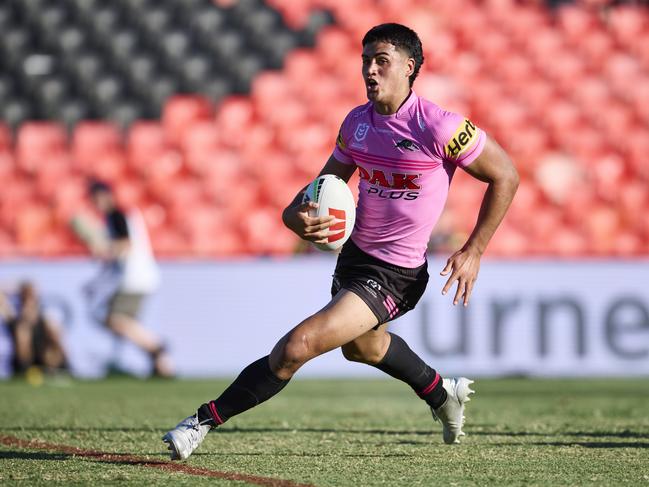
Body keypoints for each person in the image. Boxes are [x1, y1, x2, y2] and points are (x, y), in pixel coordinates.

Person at [163, 23, 519, 460]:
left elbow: (505, 175)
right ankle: (441, 392)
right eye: (366, 60)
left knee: (297, 347)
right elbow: (321, 187)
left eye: (381, 61)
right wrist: (294, 216)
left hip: (397, 274)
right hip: (355, 259)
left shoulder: (440, 126)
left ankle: (200, 421)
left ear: (409, 68)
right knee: (363, 348)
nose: (370, 70)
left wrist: (475, 249)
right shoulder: (356, 123)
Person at [84, 180, 173, 377]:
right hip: (137, 277)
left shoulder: (116, 215)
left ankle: (158, 349)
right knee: (120, 322)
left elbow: (125, 245)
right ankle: (159, 360)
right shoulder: (121, 215)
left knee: (116, 319)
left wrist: (103, 251)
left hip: (134, 279)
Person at [0, 282, 68, 376]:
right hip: (23, 362)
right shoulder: (15, 318)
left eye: (32, 296)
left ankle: (57, 368)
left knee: (52, 329)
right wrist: (16, 288)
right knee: (23, 331)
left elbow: (57, 339)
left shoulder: (45, 320)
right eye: (26, 296)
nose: (29, 302)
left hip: (43, 358)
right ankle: (25, 369)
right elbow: (1, 298)